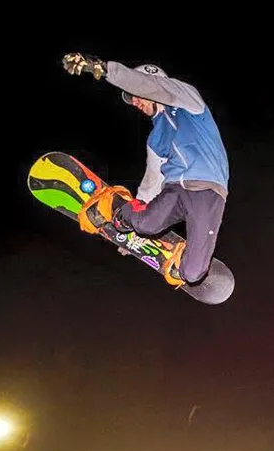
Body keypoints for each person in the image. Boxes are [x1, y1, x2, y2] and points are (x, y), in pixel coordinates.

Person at [62, 53, 229, 287]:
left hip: (207, 191)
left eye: (136, 96)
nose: (135, 103)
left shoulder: (187, 100)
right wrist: (131, 233)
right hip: (174, 190)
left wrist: (102, 68)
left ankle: (181, 258)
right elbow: (152, 180)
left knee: (192, 274)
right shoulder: (155, 138)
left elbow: (151, 86)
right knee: (145, 223)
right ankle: (114, 204)